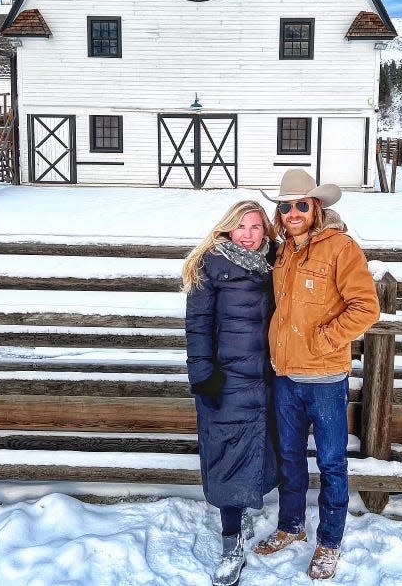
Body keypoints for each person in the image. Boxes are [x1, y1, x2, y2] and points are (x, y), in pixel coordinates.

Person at [254, 169, 380, 580]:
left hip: (325, 379)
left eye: (301, 205)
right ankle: (291, 527)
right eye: (286, 205)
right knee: (289, 458)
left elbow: (366, 307)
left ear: (317, 207)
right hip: (285, 377)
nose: (293, 212)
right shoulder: (283, 250)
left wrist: (325, 341)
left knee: (331, 463)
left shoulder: (341, 248)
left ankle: (329, 540)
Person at [183, 200, 278, 586]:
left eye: (256, 227)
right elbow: (197, 324)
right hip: (227, 380)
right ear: (226, 230)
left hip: (267, 380)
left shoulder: (274, 266)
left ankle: (255, 519)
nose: (248, 234)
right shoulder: (211, 266)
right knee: (226, 455)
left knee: (261, 450)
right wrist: (204, 375)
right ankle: (231, 542)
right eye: (241, 227)